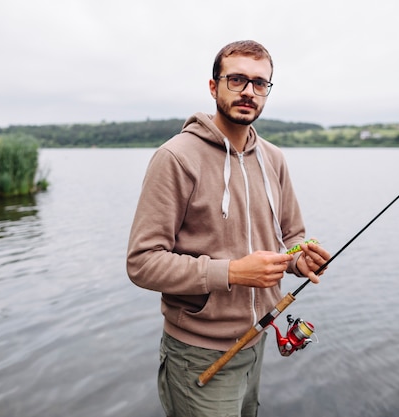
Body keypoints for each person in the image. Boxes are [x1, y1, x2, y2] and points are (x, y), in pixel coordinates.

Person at [126, 40, 331, 417]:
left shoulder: (274, 158)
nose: (248, 91)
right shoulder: (175, 158)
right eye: (236, 79)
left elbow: (292, 237)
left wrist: (299, 261)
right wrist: (233, 272)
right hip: (198, 353)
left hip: (257, 339)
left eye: (260, 83)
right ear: (213, 86)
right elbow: (142, 263)